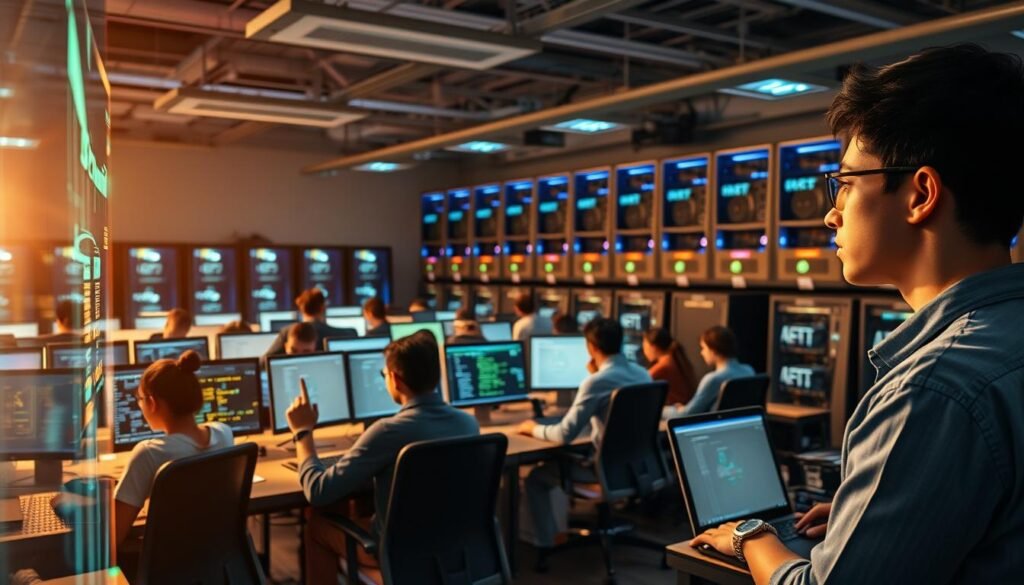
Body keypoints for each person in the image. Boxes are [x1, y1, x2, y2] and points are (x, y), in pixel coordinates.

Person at [690, 45, 1024, 585]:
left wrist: (755, 536)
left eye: (845, 183)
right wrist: (862, 519)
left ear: (920, 194)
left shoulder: (933, 392)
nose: (830, 212)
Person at [286, 331, 479, 584]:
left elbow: (318, 491)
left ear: (395, 379)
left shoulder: (388, 431)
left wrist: (303, 433)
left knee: (317, 528)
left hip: (398, 549)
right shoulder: (468, 424)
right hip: (451, 545)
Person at [517, 318, 651, 563]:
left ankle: (545, 545)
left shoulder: (596, 382)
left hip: (600, 471)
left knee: (536, 478)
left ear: (591, 347)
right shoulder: (642, 374)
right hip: (636, 467)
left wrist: (532, 427)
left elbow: (564, 435)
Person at [111, 351, 232, 547]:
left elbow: (112, 538)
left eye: (139, 399)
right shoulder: (224, 434)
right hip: (218, 559)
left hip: (164, 568)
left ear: (152, 402)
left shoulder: (149, 454)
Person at [681, 326, 754, 416]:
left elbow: (687, 414)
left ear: (713, 350)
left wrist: (666, 409)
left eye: (703, 348)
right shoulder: (749, 370)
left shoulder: (713, 379)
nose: (701, 353)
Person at [264, 289, 354, 357]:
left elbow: (264, 362)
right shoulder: (346, 334)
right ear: (323, 308)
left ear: (300, 308)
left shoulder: (287, 332)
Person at [642, 327, 698, 407]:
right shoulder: (674, 359)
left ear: (653, 347)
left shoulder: (662, 367)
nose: (644, 351)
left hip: (676, 411)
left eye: (644, 346)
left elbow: (641, 384)